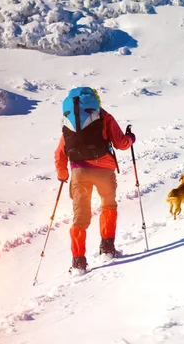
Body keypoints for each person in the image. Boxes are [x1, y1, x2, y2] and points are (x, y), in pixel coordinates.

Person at [55, 88, 135, 271]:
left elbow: (60, 152)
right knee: (108, 205)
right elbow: (121, 144)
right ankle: (107, 248)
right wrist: (131, 138)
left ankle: (78, 262)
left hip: (79, 172)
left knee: (80, 216)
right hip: (104, 171)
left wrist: (63, 175)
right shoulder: (104, 116)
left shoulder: (70, 123)